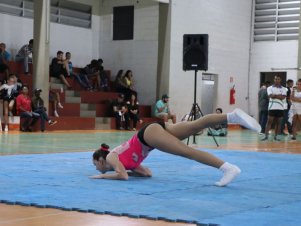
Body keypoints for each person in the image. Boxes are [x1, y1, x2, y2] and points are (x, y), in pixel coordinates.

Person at [90, 108, 261, 186]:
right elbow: (147, 173)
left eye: (95, 165)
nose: (96, 169)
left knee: (188, 152)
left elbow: (123, 177)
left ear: (100, 159)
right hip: (151, 132)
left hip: (148, 137)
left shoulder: (111, 157)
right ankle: (232, 116)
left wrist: (103, 177)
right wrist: (128, 171)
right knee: (195, 125)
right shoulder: (122, 162)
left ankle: (228, 168)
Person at [261, 75, 287, 141]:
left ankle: (276, 136)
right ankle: (266, 136)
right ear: (274, 80)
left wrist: (274, 95)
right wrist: (278, 96)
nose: (277, 80)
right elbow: (270, 96)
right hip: (272, 107)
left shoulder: (284, 89)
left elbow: (283, 97)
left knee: (278, 123)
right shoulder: (269, 88)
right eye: (275, 79)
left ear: (280, 80)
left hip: (280, 108)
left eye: (278, 79)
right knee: (269, 122)